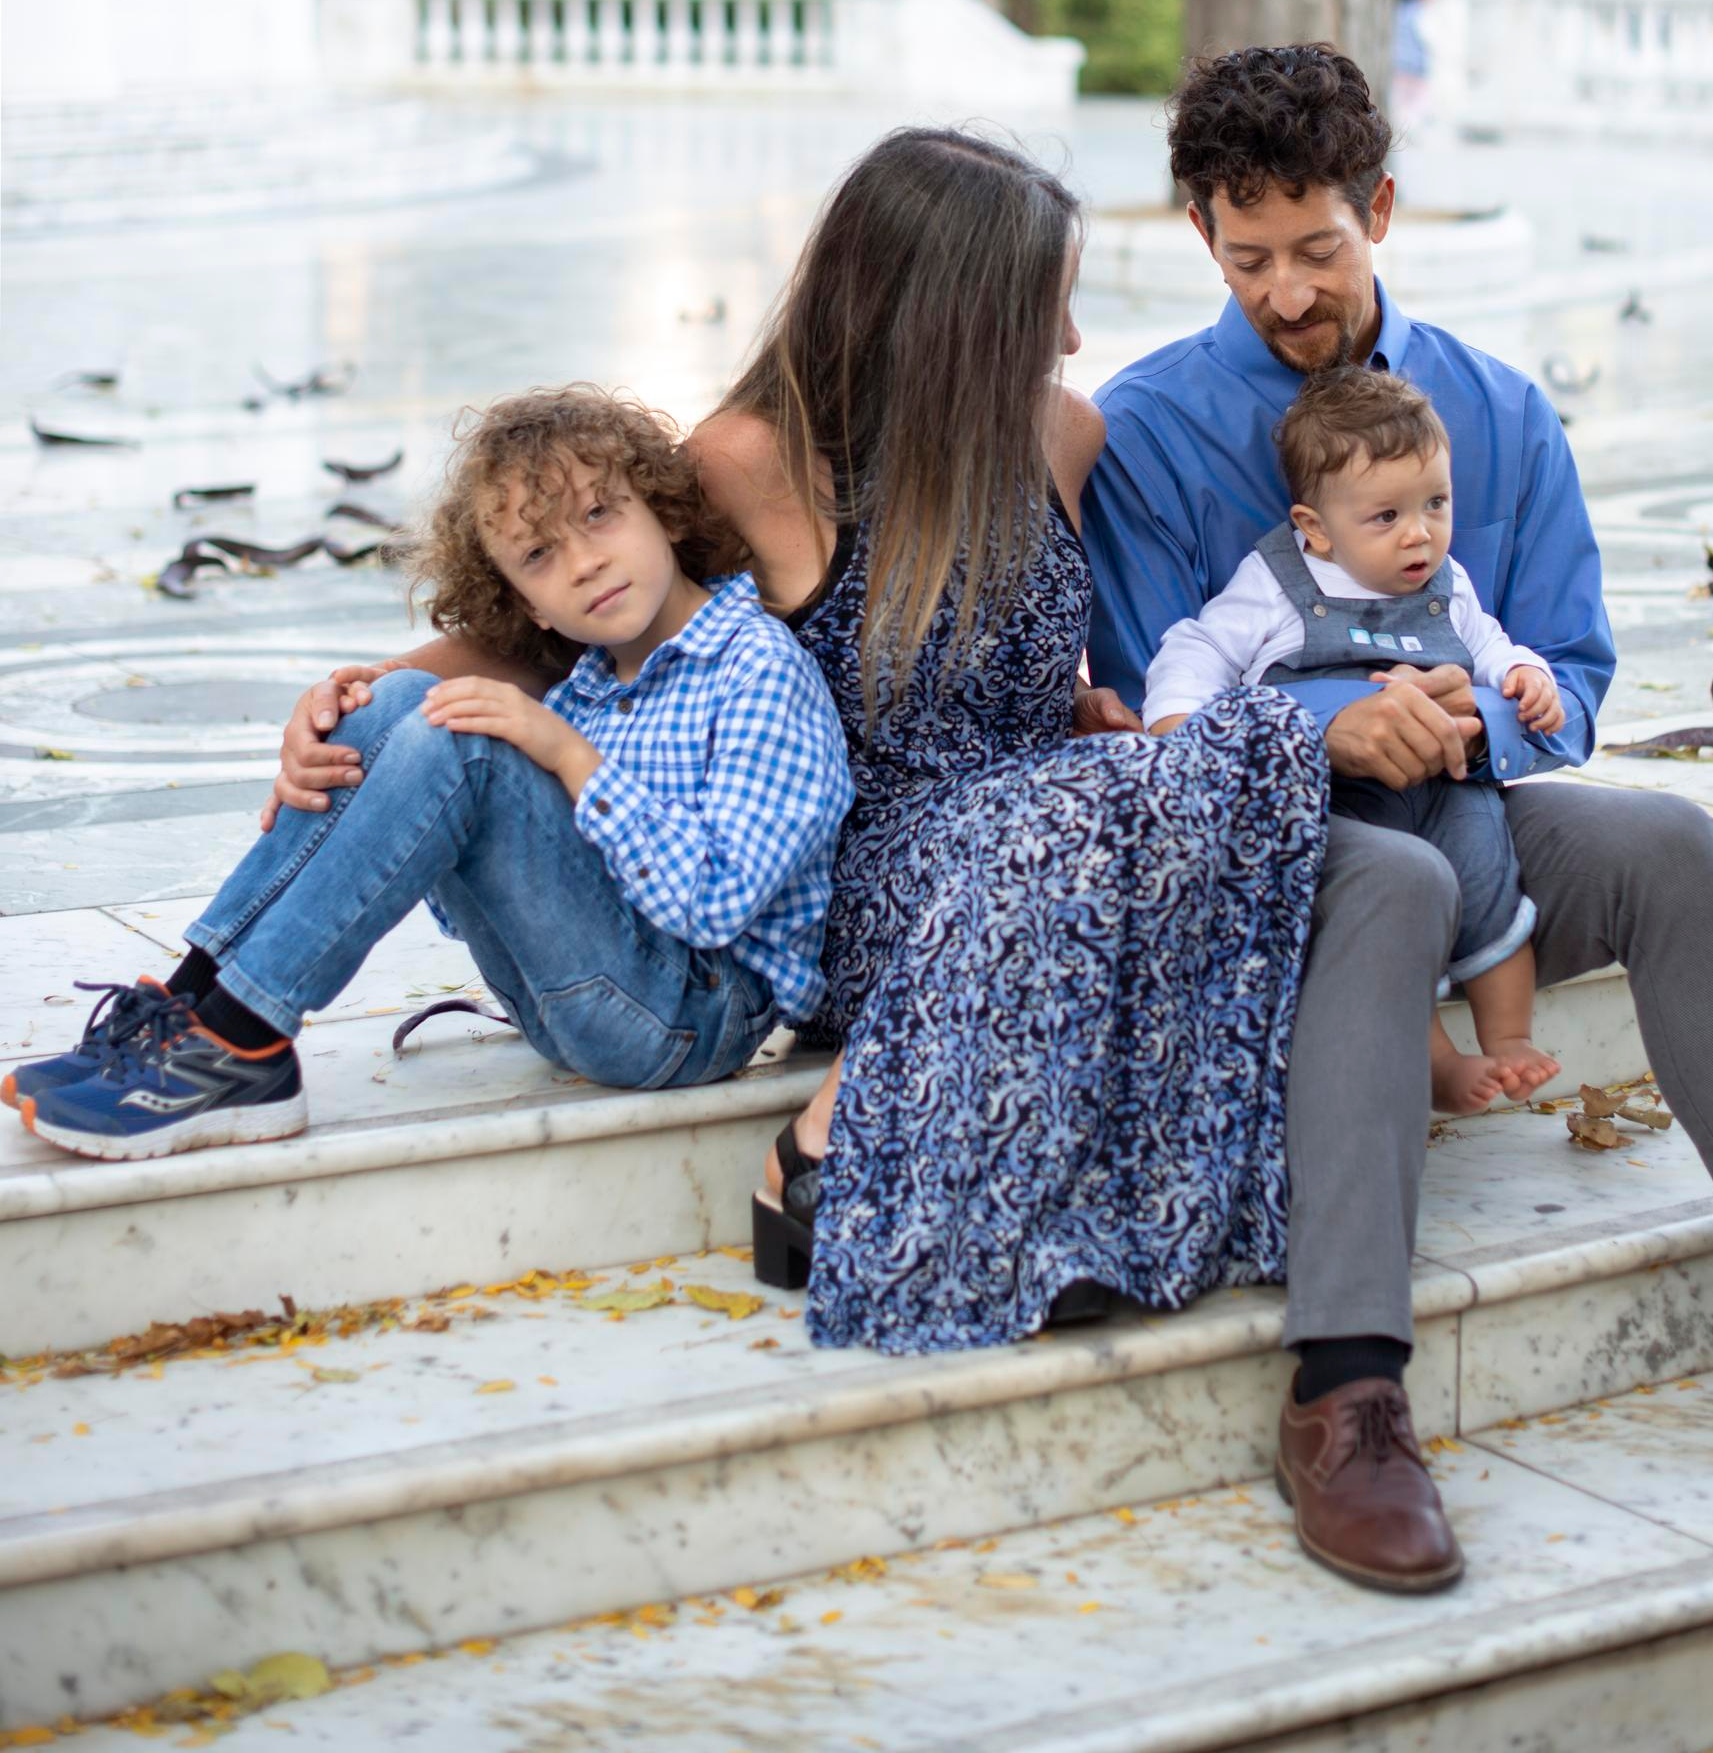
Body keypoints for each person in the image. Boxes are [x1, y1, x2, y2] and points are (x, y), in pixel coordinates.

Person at [1085, 43, 1713, 1596]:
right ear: (1204, 235)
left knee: (1668, 842)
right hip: (1278, 849)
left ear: (1384, 207)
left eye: (1319, 249)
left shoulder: (1501, 412)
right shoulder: (1139, 434)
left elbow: (1582, 673)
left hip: (1473, 807)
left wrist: (1505, 707)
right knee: (1390, 879)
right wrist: (1317, 732)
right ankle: (1344, 1391)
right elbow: (1147, 719)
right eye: (1248, 255)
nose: (1285, 292)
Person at [691, 127, 1333, 1349]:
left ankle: (1136, 1209)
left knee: (1256, 749)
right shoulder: (753, 462)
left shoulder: (1058, 434)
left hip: (1044, 823)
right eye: (1049, 309)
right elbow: (595, 637)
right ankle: (819, 1144)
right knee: (1075, 811)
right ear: (948, 316)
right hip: (872, 872)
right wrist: (378, 688)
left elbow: (1041, 641)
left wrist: (1087, 697)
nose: (1075, 342)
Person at [10, 387, 850, 1159]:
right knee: (398, 695)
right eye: (539, 555)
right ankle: (195, 1006)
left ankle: (242, 1036)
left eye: (601, 514)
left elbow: (716, 901)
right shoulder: (592, 684)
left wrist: (562, 754)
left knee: (466, 736)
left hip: (689, 1017)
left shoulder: (756, 668)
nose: (585, 563)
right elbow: (474, 889)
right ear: (528, 605)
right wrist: (382, 764)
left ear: (661, 512)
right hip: (572, 997)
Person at [1144, 363, 1561, 1116]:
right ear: (1315, 530)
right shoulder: (1274, 582)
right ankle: (1436, 1062)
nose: (1421, 534)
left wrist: (1525, 678)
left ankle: (1509, 1039)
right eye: (1386, 517)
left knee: (1493, 892)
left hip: (1446, 787)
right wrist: (1177, 718)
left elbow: (1492, 645)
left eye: (1436, 504)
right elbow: (1197, 648)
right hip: (1340, 800)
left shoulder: (1449, 584)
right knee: (1405, 908)